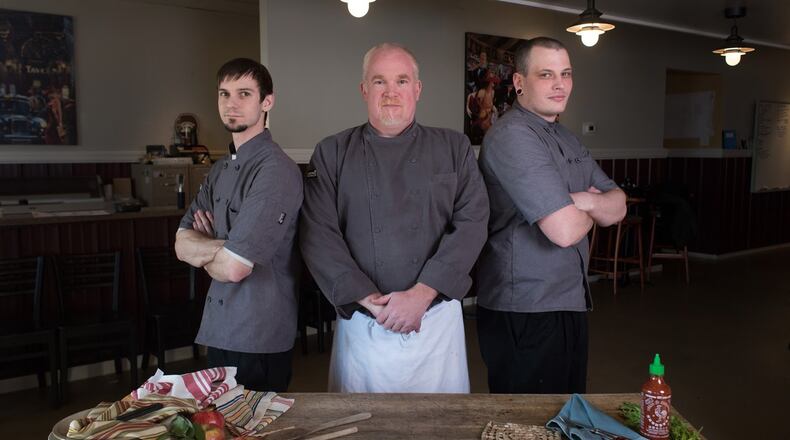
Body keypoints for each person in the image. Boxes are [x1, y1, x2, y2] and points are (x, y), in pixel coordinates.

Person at [299, 43, 489, 393]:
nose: (390, 93)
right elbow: (318, 235)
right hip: (364, 324)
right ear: (363, 90)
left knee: (440, 426)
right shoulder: (332, 152)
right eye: (379, 82)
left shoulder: (453, 147)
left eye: (401, 81)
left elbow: (473, 221)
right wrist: (370, 300)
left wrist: (422, 294)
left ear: (417, 89)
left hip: (435, 323)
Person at [476, 37, 626, 394]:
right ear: (518, 83)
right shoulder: (511, 137)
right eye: (546, 74)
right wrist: (590, 205)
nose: (560, 84)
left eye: (566, 74)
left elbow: (618, 204)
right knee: (526, 425)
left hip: (569, 300)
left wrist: (582, 202)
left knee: (565, 415)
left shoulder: (567, 138)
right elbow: (563, 230)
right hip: (525, 309)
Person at [174, 58, 303, 392]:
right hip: (219, 327)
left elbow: (235, 270)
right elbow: (180, 243)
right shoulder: (219, 169)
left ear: (267, 101)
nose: (231, 103)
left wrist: (209, 247)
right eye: (224, 93)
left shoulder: (276, 170)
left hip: (258, 335)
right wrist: (225, 244)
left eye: (244, 93)